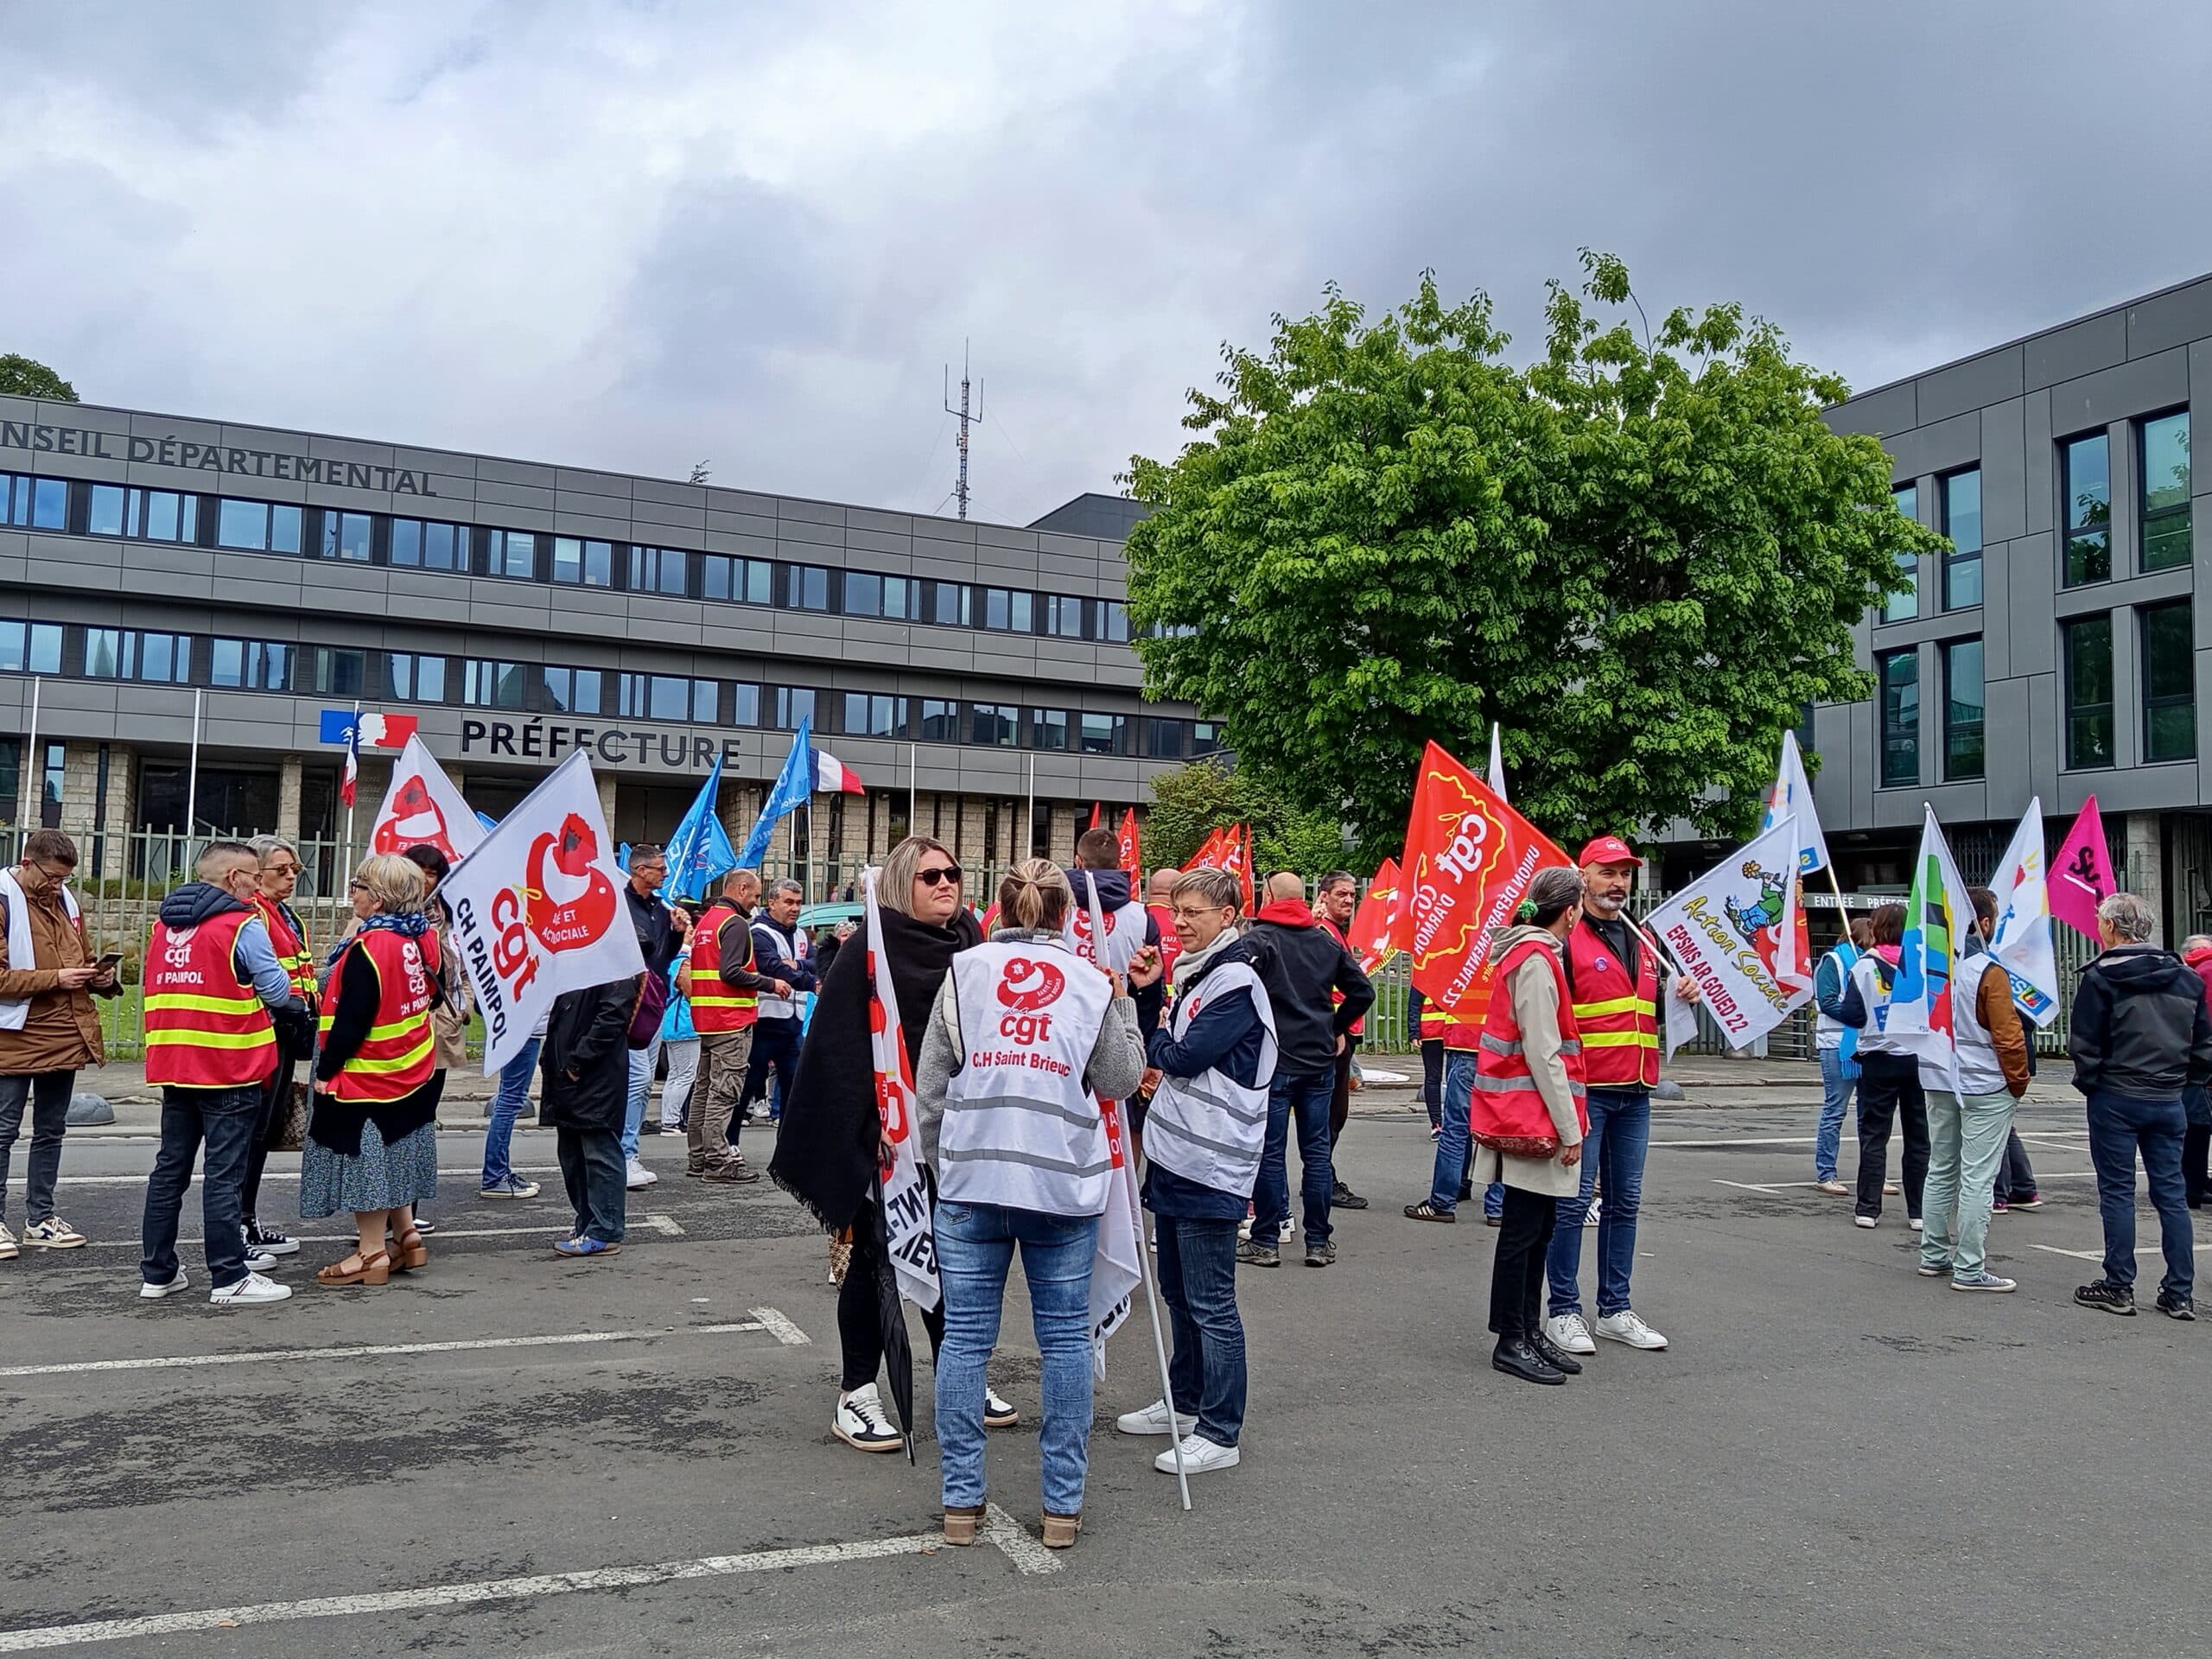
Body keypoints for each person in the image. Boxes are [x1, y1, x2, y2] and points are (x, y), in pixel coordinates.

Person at [916, 860, 1147, 1548]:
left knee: (964, 1343)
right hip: (1060, 1186)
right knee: (1066, 1344)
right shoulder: (1089, 982)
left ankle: (961, 1503)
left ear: (1000, 907)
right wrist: (1125, 1006)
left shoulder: (964, 972)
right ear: (1067, 915)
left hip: (972, 1184)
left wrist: (942, 1165)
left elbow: (932, 1086)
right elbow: (1120, 1078)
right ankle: (1062, 1509)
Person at [771, 836, 1015, 1453]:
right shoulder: (869, 952)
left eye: (953, 874)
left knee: (955, 1263)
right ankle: (857, 1392)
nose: (945, 884)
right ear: (902, 884)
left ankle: (960, 1377)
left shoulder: (971, 945)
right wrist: (868, 1120)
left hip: (956, 1138)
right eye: (930, 875)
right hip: (885, 1141)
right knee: (880, 1264)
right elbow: (838, 1047)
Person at [1118, 865, 1278, 1477]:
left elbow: (1183, 1055)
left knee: (1211, 1300)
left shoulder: (1234, 979)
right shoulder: (1197, 974)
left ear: (1228, 917)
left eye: (1194, 913)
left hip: (1212, 1164)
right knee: (1179, 1292)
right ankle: (1184, 1403)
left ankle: (1220, 1428)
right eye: (1176, 911)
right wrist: (1153, 997)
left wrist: (1153, 1038)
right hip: (1179, 1157)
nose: (1179, 922)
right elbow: (1174, 1044)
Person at [1543, 836, 1696, 1357]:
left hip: (1637, 1090)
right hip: (1587, 1092)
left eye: (1626, 874)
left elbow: (1642, 1012)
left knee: (1625, 1204)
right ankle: (1563, 1311)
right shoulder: (1567, 938)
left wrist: (1679, 995)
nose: (1619, 883)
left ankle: (1614, 1310)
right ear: (1583, 876)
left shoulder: (1644, 937)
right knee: (1571, 1204)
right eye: (1607, 872)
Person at [139, 839, 302, 1305]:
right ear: (235, 879)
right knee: (224, 1175)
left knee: (169, 1170)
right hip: (230, 1068)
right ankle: (230, 1277)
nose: (257, 885)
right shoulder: (241, 925)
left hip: (175, 1066)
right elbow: (275, 989)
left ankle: (158, 1272)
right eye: (253, 876)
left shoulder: (163, 927)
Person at [300, 854, 444, 1288]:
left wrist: (326, 1071)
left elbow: (351, 1021)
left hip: (367, 1075)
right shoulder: (420, 937)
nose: (352, 893)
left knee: (367, 1165)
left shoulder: (370, 948)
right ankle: (407, 1234)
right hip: (410, 1067)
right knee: (395, 1156)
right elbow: (432, 997)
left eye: (359, 886)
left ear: (378, 900)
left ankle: (370, 1253)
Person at [1473, 868, 1592, 1385]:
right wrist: (1570, 1128)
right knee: (1525, 1232)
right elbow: (1545, 1054)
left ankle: (1524, 1328)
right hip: (1533, 1119)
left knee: (1536, 1229)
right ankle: (1511, 1338)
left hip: (1524, 1114)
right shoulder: (1538, 961)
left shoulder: (1527, 955)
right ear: (1571, 911)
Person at [2066, 891, 2209, 1319]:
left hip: (2116, 1094)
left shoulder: (2101, 978)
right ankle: (2179, 1292)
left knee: (2117, 1191)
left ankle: (2118, 1284)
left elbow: (2084, 1045)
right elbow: (2203, 1047)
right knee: (2172, 1193)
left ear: (2110, 927)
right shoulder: (2188, 979)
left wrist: (2094, 1084)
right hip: (2168, 1097)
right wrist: (2182, 1083)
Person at [1242, 871, 1373, 1268]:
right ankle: (1318, 1242)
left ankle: (1266, 1240)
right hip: (1318, 1061)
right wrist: (1333, 1026)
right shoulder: (1324, 942)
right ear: (1307, 898)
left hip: (1275, 1060)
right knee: (1316, 1153)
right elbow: (1363, 991)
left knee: (1271, 1152)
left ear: (1269, 895)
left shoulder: (1257, 941)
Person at [0, 829, 118, 1260]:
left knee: (51, 1130)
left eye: (64, 879)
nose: (57, 886)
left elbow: (81, 959)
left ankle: (41, 1219)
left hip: (63, 1033)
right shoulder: (2, 897)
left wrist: (100, 977)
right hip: (12, 1035)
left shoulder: (66, 901)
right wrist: (56, 979)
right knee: (2, 1131)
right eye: (50, 877)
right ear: (27, 863)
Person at [1918, 887, 2032, 1293]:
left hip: (1937, 1076)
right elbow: (2008, 1035)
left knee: (1942, 1167)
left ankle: (1933, 1254)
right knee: (1978, 1177)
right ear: (1983, 923)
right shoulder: (1987, 970)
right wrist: (2017, 1082)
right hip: (1983, 1082)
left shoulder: (1927, 965)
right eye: (1994, 919)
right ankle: (1969, 1268)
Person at [683, 868, 785, 1184]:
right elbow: (730, 972)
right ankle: (717, 1161)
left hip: (707, 1019)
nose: (756, 903)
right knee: (724, 1092)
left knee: (704, 1090)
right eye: (755, 895)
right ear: (741, 889)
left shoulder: (707, 922)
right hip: (730, 1019)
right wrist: (770, 982)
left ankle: (699, 1157)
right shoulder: (736, 924)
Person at [238, 835, 314, 1261]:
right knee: (252, 1132)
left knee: (265, 1132)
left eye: (295, 871)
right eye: (281, 870)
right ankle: (239, 1223)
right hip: (263, 1035)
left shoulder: (284, 915)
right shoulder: (253, 914)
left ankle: (248, 1219)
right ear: (256, 873)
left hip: (287, 1034)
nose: (290, 878)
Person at [1837, 902, 1930, 1234]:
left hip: (1876, 1059)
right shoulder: (1920, 964)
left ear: (1876, 929)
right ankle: (1919, 1211)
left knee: (1874, 1136)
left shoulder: (1864, 967)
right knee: (1919, 1137)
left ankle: (1868, 1208)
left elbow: (1853, 1014)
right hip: (1916, 1059)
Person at [543, 971, 643, 1258]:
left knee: (598, 1150)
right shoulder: (584, 955)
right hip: (571, 1067)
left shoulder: (615, 958)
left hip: (591, 1073)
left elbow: (612, 1015)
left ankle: (604, 1230)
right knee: (573, 1154)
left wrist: (578, 1060)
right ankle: (590, 1224)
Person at [618, 843, 691, 1187]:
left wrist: (677, 934)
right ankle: (624, 1155)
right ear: (640, 871)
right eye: (659, 869)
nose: (665, 874)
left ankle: (628, 1153)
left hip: (654, 1003)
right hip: (626, 1005)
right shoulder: (621, 906)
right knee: (638, 1079)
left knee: (641, 1082)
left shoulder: (661, 909)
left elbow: (663, 958)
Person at [1313, 870, 1370, 1211]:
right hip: (1332, 1035)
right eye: (1341, 895)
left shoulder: (1335, 932)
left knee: (1335, 1111)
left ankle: (1323, 1174)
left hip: (1341, 1032)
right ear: (1324, 896)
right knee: (1331, 1112)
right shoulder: (1322, 932)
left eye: (1351, 895)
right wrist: (1335, 1028)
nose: (1348, 900)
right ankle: (1323, 1178)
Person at [742, 878, 817, 1123]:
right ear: (771, 903)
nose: (795, 908)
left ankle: (786, 1153)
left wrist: (798, 965)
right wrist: (810, 980)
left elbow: (820, 963)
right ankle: (730, 1141)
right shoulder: (759, 933)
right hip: (765, 1022)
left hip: (794, 1024)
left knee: (794, 1089)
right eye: (789, 902)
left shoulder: (802, 936)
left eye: (799, 902)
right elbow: (773, 967)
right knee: (747, 1086)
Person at [1810, 917, 1872, 1197]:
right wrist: (1856, 1015)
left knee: (1870, 1113)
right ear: (1861, 936)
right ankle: (1826, 1172)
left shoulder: (1870, 964)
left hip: (1866, 1044)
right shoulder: (1833, 962)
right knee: (1835, 1109)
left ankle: (1873, 1173)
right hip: (1837, 1043)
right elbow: (1827, 1001)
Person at [480, 1008, 545, 1200]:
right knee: (510, 1101)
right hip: (524, 1031)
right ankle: (495, 1176)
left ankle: (499, 1172)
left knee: (509, 1099)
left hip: (521, 1030)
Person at [2181, 933, 2212, 1210]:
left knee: (2196, 1126)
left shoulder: (2193, 974)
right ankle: (2198, 1182)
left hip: (2196, 1063)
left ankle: (2193, 1185)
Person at [657, 944, 700, 1136]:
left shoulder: (668, 961)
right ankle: (672, 1120)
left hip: (671, 1024)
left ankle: (669, 1118)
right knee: (686, 1075)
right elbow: (692, 992)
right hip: (685, 1025)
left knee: (675, 1074)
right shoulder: (682, 962)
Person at [1145, 866, 1182, 991]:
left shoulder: (1134, 919)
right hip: (1175, 1002)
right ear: (1179, 892)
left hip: (1135, 1001)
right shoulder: (1184, 923)